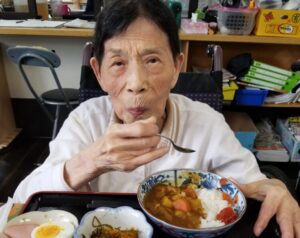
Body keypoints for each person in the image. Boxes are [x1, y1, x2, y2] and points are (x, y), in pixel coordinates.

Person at [8, 0, 300, 237]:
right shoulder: (85, 121)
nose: (136, 83)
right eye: (119, 63)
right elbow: (18, 205)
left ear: (176, 67)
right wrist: (91, 161)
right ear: (98, 73)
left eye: (152, 60)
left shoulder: (206, 122)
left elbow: (252, 187)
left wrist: (273, 188)